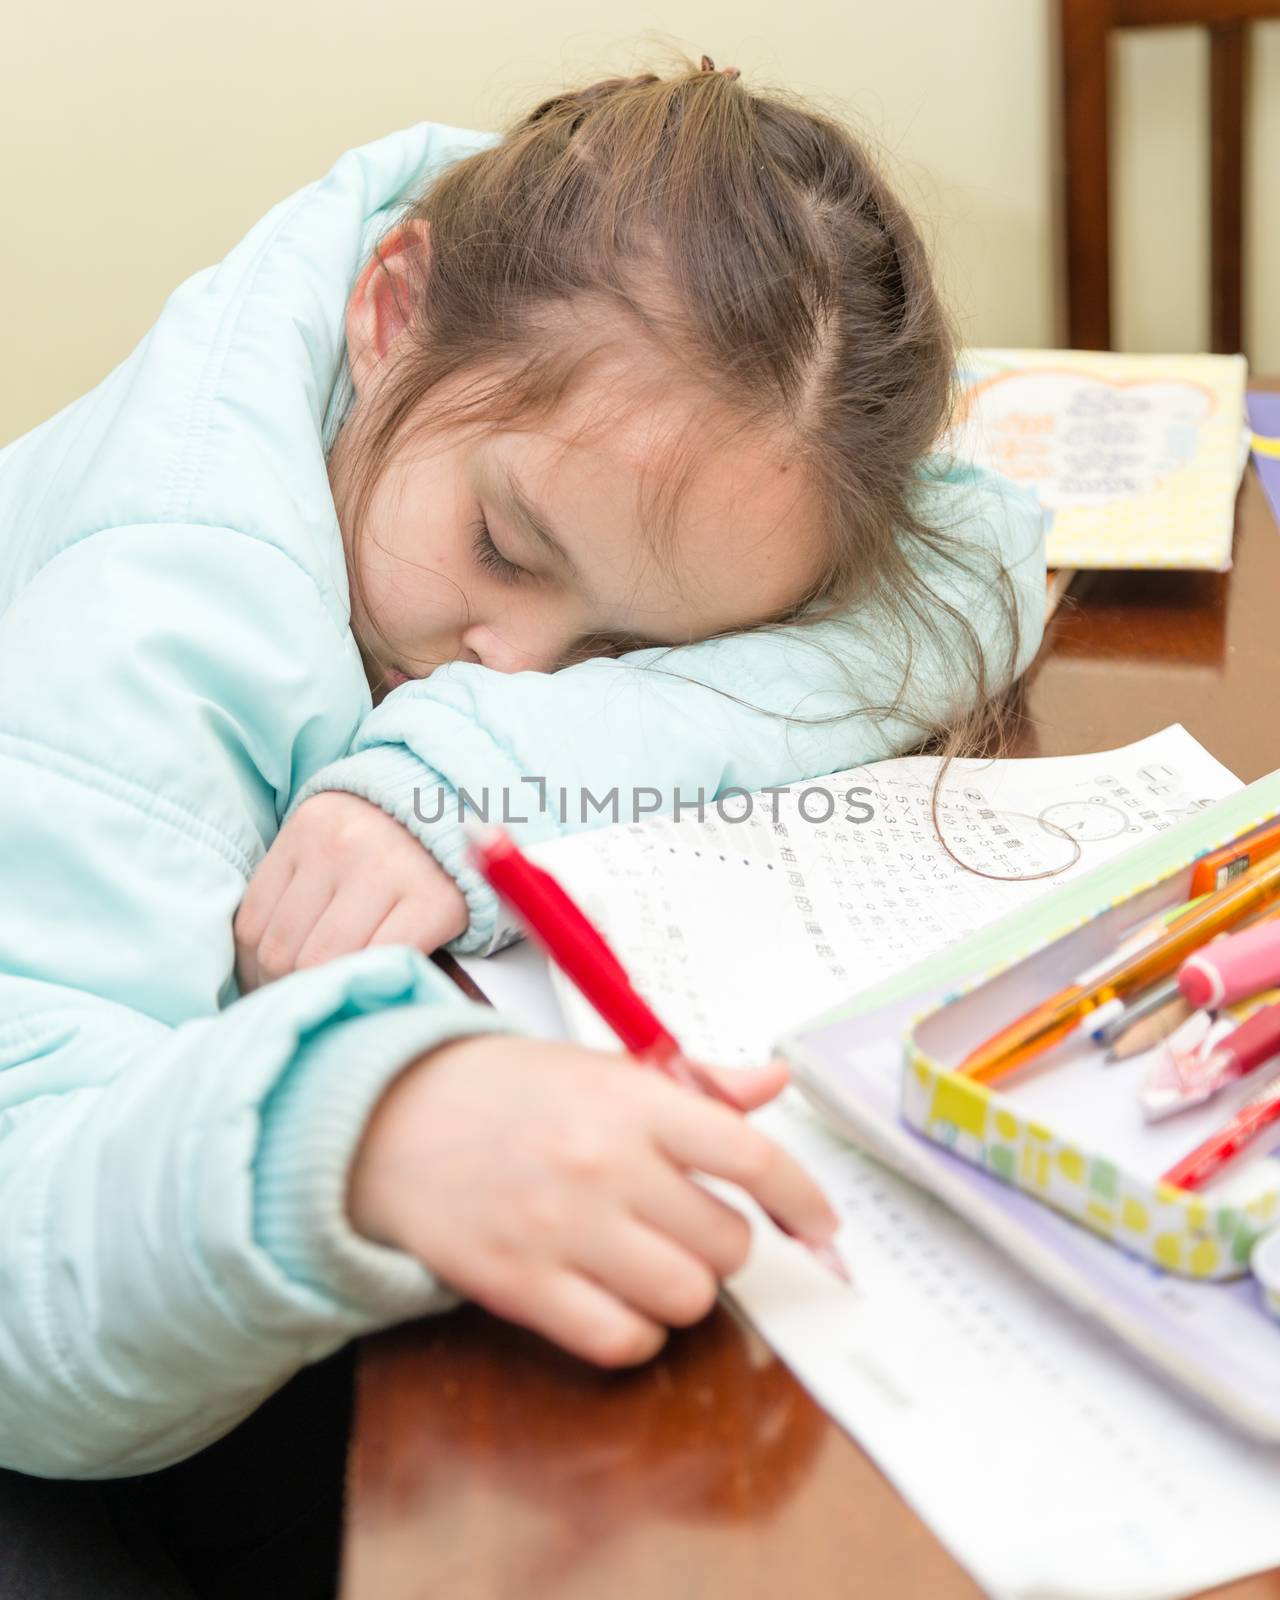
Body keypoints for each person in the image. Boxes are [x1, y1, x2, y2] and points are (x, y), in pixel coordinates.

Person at [0, 57, 1044, 1595]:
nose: (522, 661)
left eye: (640, 652)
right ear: (392, 306)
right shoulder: (165, 599)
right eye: (503, 545)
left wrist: (479, 767)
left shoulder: (566, 328)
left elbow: (978, 564)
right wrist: (370, 1133)